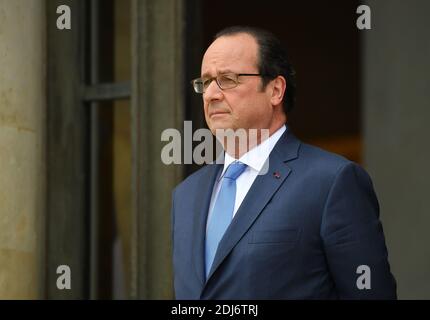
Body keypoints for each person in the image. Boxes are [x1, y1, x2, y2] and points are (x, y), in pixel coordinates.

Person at [171, 26, 397, 299]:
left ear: (275, 90)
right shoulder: (186, 195)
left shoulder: (330, 182)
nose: (211, 94)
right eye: (205, 82)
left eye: (228, 79)